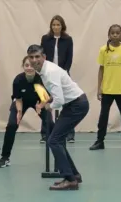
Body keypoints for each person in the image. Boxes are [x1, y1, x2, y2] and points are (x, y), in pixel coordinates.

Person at [27, 45, 88, 190]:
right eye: (31, 57)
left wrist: (47, 106)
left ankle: (70, 179)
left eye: (37, 57)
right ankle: (74, 175)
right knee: (57, 140)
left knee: (53, 141)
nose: (35, 60)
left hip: (76, 105)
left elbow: (59, 100)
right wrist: (46, 101)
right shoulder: (43, 70)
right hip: (73, 104)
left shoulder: (49, 72)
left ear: (44, 57)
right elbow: (57, 95)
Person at [0, 56, 54, 168]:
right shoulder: (18, 80)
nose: (29, 68)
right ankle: (5, 157)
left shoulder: (40, 79)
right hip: (21, 102)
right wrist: (19, 111)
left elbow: (45, 98)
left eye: (32, 65)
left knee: (51, 124)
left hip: (38, 102)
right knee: (12, 125)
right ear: (23, 67)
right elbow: (18, 99)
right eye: (26, 65)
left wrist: (40, 106)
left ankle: (60, 157)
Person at [89, 24, 121, 150]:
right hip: (107, 90)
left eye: (117, 33)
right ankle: (100, 141)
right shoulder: (103, 50)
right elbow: (101, 69)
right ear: (109, 35)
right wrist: (99, 88)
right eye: (112, 33)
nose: (115, 35)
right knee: (103, 117)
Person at [40, 15, 75, 143]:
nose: (56, 27)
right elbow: (41, 56)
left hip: (63, 74)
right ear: (51, 26)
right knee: (46, 102)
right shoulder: (45, 39)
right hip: (48, 75)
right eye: (53, 25)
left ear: (62, 26)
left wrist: (64, 72)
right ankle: (45, 132)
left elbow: (69, 57)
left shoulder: (68, 39)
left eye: (58, 25)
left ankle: (69, 133)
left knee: (67, 103)